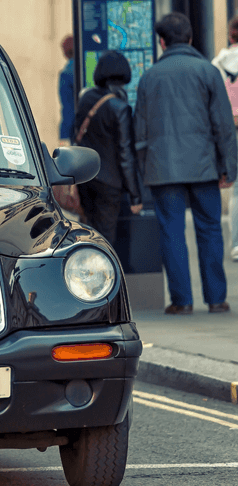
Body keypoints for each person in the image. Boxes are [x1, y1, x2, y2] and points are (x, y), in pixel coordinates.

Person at [134, 12, 237, 315]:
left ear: (162, 42)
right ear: (190, 38)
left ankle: (182, 300)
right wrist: (228, 167)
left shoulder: (149, 77)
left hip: (163, 170)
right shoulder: (207, 71)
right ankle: (216, 299)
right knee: (210, 230)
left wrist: (145, 170)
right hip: (204, 167)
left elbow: (140, 131)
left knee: (172, 232)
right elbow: (222, 125)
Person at [73, 51, 143, 246]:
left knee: (89, 230)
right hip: (109, 183)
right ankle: (104, 274)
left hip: (86, 178)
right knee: (106, 238)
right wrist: (135, 195)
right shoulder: (120, 107)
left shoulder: (86, 99)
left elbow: (76, 134)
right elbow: (125, 154)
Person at [211, 16, 238, 262]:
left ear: (231, 34)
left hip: (229, 128)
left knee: (236, 190)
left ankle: (237, 244)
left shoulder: (217, 64)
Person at [59, 35, 76, 145]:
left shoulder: (65, 74)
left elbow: (67, 108)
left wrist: (63, 136)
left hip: (76, 129)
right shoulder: (91, 67)